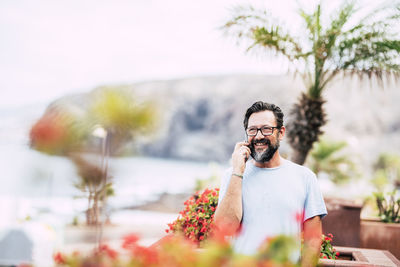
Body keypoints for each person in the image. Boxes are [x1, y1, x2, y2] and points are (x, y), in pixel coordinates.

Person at [214, 101, 327, 266]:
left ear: (281, 133)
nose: (259, 136)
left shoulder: (305, 177)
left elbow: (313, 241)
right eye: (252, 130)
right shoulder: (232, 176)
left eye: (266, 129)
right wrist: (237, 171)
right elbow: (225, 227)